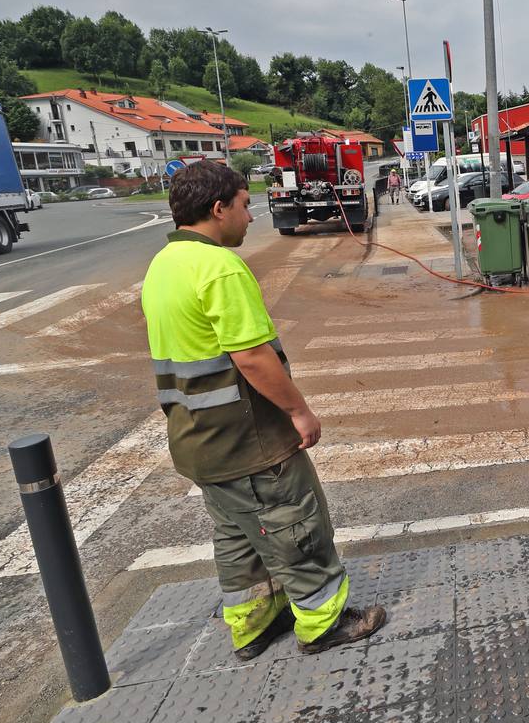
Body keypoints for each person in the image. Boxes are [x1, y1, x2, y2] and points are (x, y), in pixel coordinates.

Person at [140, 161, 386, 660]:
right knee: (296, 527)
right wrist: (300, 413)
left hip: (197, 440)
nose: (250, 217)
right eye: (244, 205)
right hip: (247, 441)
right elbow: (251, 356)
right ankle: (325, 624)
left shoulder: (162, 266)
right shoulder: (219, 267)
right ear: (218, 208)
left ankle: (252, 627)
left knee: (238, 539)